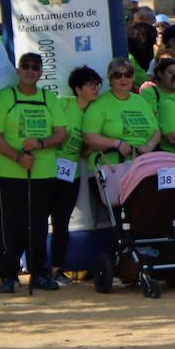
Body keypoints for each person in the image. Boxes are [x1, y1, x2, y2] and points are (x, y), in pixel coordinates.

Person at [0, 52, 68, 294]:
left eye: (35, 67)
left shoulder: (48, 98)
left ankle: (39, 273)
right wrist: (17, 156)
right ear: (18, 70)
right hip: (11, 173)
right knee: (10, 225)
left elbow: (61, 133)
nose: (30, 71)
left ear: (41, 72)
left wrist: (41, 144)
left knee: (39, 225)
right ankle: (8, 275)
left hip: (42, 173)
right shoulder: (6, 96)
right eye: (26, 67)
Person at [49, 66, 100, 285]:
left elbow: (84, 151)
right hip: (47, 169)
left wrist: (91, 145)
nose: (95, 88)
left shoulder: (96, 112)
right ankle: (35, 267)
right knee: (39, 219)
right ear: (77, 89)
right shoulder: (63, 103)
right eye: (90, 84)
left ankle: (56, 269)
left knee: (61, 222)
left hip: (72, 173)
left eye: (97, 84)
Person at [83, 56, 161, 168]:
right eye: (117, 75)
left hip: (142, 166)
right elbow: (89, 137)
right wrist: (116, 143)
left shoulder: (141, 101)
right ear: (110, 79)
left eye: (128, 74)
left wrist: (149, 145)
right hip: (111, 169)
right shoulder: (100, 104)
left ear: (133, 77)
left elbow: (156, 131)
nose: (123, 78)